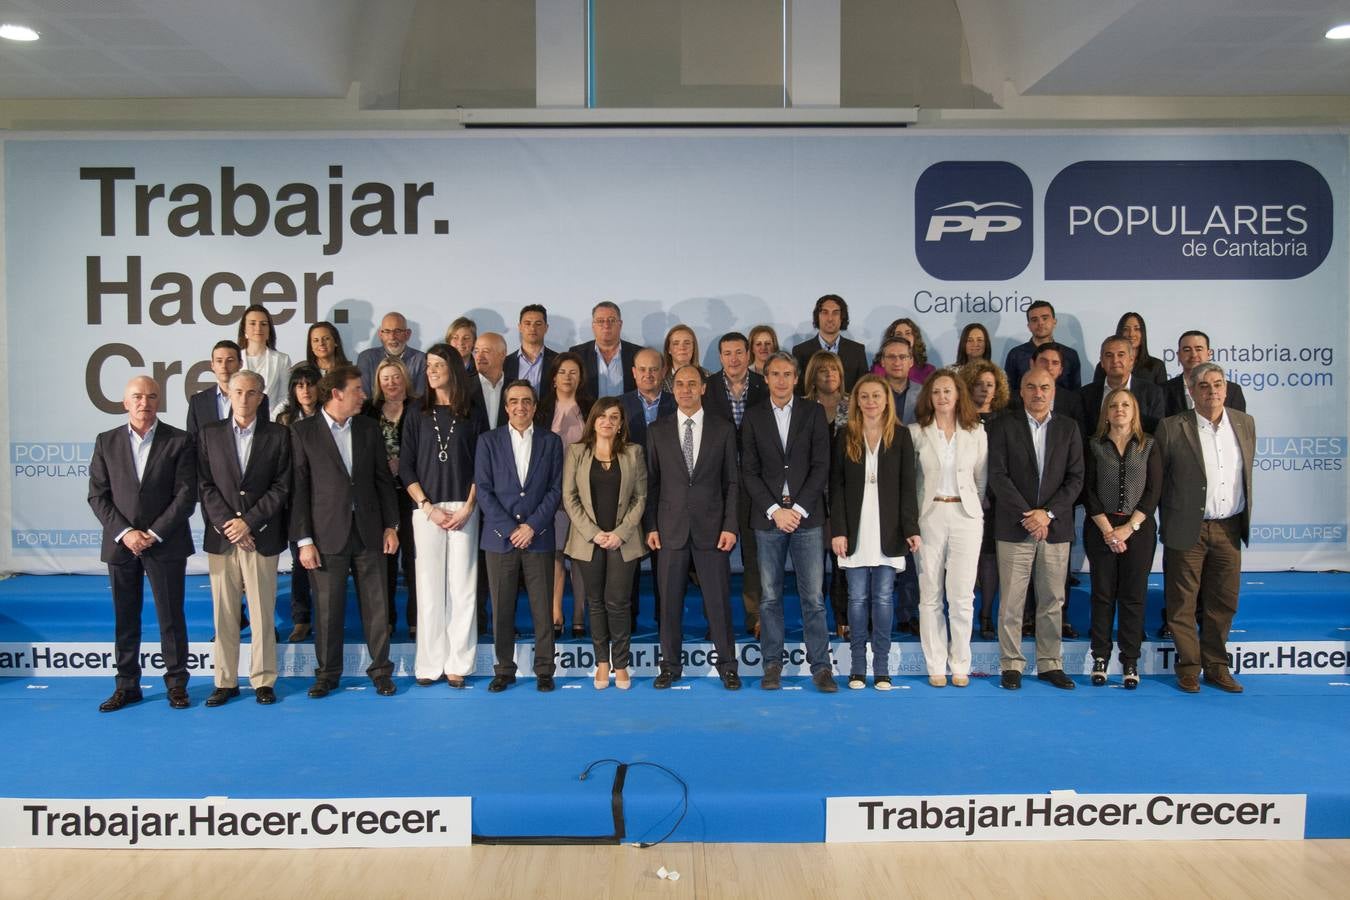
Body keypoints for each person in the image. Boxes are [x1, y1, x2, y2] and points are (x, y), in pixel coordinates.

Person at [88, 376, 197, 712]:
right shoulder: (106, 441)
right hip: (122, 546)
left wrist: (153, 533)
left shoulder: (179, 441)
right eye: (137, 396)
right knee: (126, 617)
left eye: (151, 396)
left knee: (171, 618)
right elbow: (98, 495)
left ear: (158, 401)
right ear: (125, 402)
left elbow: (185, 495)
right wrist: (127, 533)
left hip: (165, 543)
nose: (144, 402)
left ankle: (177, 684)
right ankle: (127, 686)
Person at [290, 365, 400, 699]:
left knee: (377, 606)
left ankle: (380, 671)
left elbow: (383, 479)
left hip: (369, 532)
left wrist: (391, 525)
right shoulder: (302, 432)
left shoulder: (368, 428)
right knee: (326, 609)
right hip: (325, 537)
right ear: (337, 393)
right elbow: (299, 490)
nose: (364, 395)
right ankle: (326, 675)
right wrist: (304, 540)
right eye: (357, 389)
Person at [1156, 362, 1255, 694]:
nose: (1212, 391)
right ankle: (1188, 665)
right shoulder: (1172, 427)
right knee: (1182, 601)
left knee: (1223, 601)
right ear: (1192, 391)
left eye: (1218, 384)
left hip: (1229, 529)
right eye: (1204, 386)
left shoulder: (1244, 423)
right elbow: (1160, 482)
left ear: (1226, 389)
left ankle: (1216, 666)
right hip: (1188, 528)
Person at [742, 352, 835, 692]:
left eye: (787, 374)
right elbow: (748, 471)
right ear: (765, 378)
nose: (781, 380)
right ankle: (772, 666)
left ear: (797, 379)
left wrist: (797, 509)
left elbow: (821, 465)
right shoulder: (753, 417)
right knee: (769, 598)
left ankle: (821, 668)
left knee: (813, 598)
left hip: (806, 519)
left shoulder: (813, 413)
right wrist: (774, 510)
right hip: (768, 520)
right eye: (774, 374)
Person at [645, 365, 742, 690]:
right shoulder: (657, 430)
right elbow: (652, 484)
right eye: (680, 384)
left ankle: (728, 666)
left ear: (703, 388)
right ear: (673, 389)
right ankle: (669, 667)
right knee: (669, 604)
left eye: (692, 384)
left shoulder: (723, 429)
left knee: (718, 602)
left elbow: (732, 482)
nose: (685, 389)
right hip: (670, 529)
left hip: (713, 530)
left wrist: (730, 525)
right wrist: (651, 526)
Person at [987, 367, 1084, 691]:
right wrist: (1030, 514)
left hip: (1055, 529)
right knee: (1012, 601)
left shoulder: (1069, 428)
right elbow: (998, 476)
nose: (1038, 393)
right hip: (1015, 526)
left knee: (1052, 600)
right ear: (1021, 391)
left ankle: (1049, 663)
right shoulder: (1003, 426)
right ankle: (1011, 665)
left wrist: (1048, 515)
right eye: (1031, 387)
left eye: (1044, 387)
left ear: (1053, 390)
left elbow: (1076, 479)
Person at [197, 370, 290, 707]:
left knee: (263, 612)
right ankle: (225, 680)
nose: (244, 398)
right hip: (223, 539)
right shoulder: (209, 434)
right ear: (229, 394)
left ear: (261, 397)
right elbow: (204, 485)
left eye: (252, 393)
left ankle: (263, 680)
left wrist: (248, 523)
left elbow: (281, 486)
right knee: (224, 613)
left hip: (260, 537)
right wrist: (229, 525)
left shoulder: (278, 435)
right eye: (238, 391)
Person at [830, 375, 921, 691]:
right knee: (857, 598)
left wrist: (911, 528)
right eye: (864, 396)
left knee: (883, 597)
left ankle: (881, 668)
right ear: (857, 401)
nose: (870, 402)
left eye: (876, 396)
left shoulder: (901, 436)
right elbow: (837, 487)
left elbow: (908, 487)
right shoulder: (844, 435)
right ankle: (857, 666)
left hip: (889, 528)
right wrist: (838, 530)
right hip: (854, 530)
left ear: (887, 401)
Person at [401, 343, 482, 690]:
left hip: (466, 509)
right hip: (427, 511)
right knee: (429, 588)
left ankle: (458, 663)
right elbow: (406, 466)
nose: (431, 371)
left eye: (437, 365)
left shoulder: (473, 412)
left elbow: (484, 464)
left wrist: (468, 506)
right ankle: (430, 663)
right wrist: (427, 507)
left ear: (452, 368)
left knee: (463, 589)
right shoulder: (416, 412)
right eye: (428, 366)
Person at [477, 381, 564, 693]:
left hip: (538, 537)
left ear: (535, 406)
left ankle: (544, 669)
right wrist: (511, 529)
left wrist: (532, 526)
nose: (520, 407)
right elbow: (483, 491)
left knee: (542, 608)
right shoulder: (488, 441)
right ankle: (503, 669)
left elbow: (556, 489)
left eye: (526, 401)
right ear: (505, 407)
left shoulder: (551, 442)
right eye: (513, 401)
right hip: (500, 539)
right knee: (502, 608)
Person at [563, 397, 648, 691]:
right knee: (595, 603)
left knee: (619, 603)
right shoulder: (577, 452)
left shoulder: (634, 452)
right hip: (589, 540)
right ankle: (602, 662)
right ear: (593, 421)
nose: (607, 422)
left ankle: (621, 664)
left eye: (614, 417)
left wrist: (620, 533)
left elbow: (640, 498)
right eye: (602, 416)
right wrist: (594, 533)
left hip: (623, 541)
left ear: (621, 422)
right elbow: (569, 497)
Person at [909, 371, 988, 688]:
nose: (942, 396)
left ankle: (960, 664)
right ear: (929, 396)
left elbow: (980, 478)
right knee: (929, 595)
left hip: (966, 516)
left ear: (958, 396)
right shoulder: (917, 433)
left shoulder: (977, 431)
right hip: (929, 516)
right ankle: (935, 664)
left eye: (948, 391)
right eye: (937, 391)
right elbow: (912, 479)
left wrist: (970, 506)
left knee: (962, 596)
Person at [1083, 388, 1161, 690]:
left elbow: (1154, 491)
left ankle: (1130, 661)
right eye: (1113, 405)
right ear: (1106, 411)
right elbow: (1088, 491)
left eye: (1125, 404)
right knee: (1102, 594)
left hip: (1138, 530)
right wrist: (1107, 530)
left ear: (1135, 410)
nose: (1119, 409)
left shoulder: (1149, 444)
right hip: (1101, 528)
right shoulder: (1094, 445)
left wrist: (1129, 528)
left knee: (1132, 595)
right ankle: (1100, 658)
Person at [703, 332, 768, 637]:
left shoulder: (763, 384)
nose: (734, 359)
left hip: (757, 484)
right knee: (715, 556)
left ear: (748, 353)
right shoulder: (708, 388)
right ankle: (717, 620)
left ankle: (755, 617)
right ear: (720, 357)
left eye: (739, 352)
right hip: (718, 484)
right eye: (727, 353)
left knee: (754, 554)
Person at [536, 352, 592, 637]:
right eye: (562, 372)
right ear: (553, 377)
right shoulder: (542, 409)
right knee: (556, 554)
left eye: (573, 372)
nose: (568, 377)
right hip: (551, 491)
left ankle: (579, 615)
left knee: (581, 556)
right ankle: (555, 613)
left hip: (585, 493)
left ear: (580, 377)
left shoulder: (590, 407)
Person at [620, 348, 675, 628]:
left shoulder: (677, 403)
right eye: (642, 369)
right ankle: (627, 621)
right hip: (628, 492)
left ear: (663, 372)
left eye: (653, 369)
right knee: (627, 561)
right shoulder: (619, 405)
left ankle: (664, 618)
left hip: (667, 492)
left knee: (663, 562)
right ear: (633, 373)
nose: (648, 374)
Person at [365, 357, 418, 638]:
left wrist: (404, 464)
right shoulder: (367, 411)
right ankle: (385, 619)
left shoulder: (419, 408)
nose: (391, 383)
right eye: (385, 379)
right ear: (378, 382)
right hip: (378, 496)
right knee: (383, 561)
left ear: (405, 379)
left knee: (413, 559)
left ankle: (415, 619)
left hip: (413, 495)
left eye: (395, 377)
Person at [803, 350, 850, 638]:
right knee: (812, 567)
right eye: (823, 370)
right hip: (810, 495)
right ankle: (816, 622)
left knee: (841, 563)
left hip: (843, 494)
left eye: (834, 370)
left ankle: (843, 618)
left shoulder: (853, 405)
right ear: (813, 376)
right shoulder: (804, 407)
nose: (829, 375)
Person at [963, 360, 1010, 639]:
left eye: (989, 385)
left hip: (999, 501)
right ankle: (965, 614)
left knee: (990, 559)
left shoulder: (1007, 421)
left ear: (998, 389)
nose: (983, 389)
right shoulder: (960, 419)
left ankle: (986, 615)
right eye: (978, 384)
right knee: (967, 559)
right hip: (965, 498)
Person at [276, 365, 321, 642]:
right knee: (299, 561)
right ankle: (301, 618)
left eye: (310, 384)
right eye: (299, 385)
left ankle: (328, 617)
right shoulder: (284, 420)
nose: (305, 390)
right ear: (293, 390)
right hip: (295, 498)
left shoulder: (330, 415)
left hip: (326, 497)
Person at [1079, 336, 1165, 437]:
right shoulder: (1083, 395)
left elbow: (1157, 434)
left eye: (1121, 355)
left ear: (1131, 360)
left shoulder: (1152, 393)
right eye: (1109, 355)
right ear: (1102, 362)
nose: (1115, 360)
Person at [185, 340, 270, 435]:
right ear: (212, 365)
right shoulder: (198, 401)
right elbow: (193, 440)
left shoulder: (258, 398)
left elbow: (264, 434)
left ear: (240, 364)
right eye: (219, 361)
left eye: (230, 361)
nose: (224, 366)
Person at [791, 294, 869, 391]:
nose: (830, 318)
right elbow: (798, 389)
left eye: (835, 313)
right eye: (825, 312)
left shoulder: (857, 350)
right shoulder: (800, 351)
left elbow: (863, 387)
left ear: (842, 317)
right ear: (817, 316)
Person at [1165, 330, 1248, 417]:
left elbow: (1239, 425)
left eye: (1199, 349)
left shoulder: (1233, 391)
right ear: (1178, 355)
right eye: (1187, 350)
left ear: (1209, 354)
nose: (1193, 354)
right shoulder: (1163, 391)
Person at [1003, 300, 1081, 392]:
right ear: (1029, 326)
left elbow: (1076, 394)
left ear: (1054, 322)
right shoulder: (1016, 354)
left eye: (1045, 318)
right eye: (1034, 320)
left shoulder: (1070, 355)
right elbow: (1008, 392)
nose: (1040, 323)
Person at [571, 301, 641, 398]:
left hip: (627, 412)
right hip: (589, 412)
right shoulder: (577, 354)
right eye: (600, 321)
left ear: (620, 324)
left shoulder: (638, 354)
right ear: (593, 326)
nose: (606, 325)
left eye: (611, 320)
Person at [237, 303, 293, 414]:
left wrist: (270, 419)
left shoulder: (282, 360)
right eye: (252, 323)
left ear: (269, 330)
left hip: (271, 423)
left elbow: (285, 397)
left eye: (263, 324)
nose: (258, 328)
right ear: (244, 330)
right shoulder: (235, 358)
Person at [357, 311, 427, 398]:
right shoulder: (366, 358)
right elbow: (364, 397)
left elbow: (420, 398)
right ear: (380, 335)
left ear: (407, 334)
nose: (392, 337)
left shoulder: (421, 359)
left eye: (397, 331)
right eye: (387, 331)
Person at [1092, 312, 1167, 387]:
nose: (1131, 334)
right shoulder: (1106, 365)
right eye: (1126, 329)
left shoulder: (1156, 366)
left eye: (1137, 329)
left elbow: (1161, 397)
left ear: (1142, 333)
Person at [504, 304, 558, 395]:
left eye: (538, 324)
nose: (532, 328)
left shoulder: (558, 361)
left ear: (546, 328)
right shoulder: (505, 363)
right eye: (527, 323)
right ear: (520, 327)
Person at [873, 318, 935, 385]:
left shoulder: (928, 370)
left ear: (915, 337)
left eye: (908, 333)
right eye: (898, 334)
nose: (903, 337)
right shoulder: (878, 369)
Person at [469, 332, 509, 430]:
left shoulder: (515, 388)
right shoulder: (463, 387)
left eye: (486, 351)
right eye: (476, 351)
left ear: (502, 354)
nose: (479, 357)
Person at [877, 336, 920, 425]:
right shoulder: (872, 392)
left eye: (902, 357)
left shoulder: (923, 393)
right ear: (882, 361)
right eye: (891, 357)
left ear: (911, 362)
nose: (897, 362)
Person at [661, 324, 702, 393]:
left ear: (694, 347)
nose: (682, 348)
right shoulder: (659, 379)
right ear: (669, 349)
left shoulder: (708, 378)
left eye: (687, 343)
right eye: (676, 343)